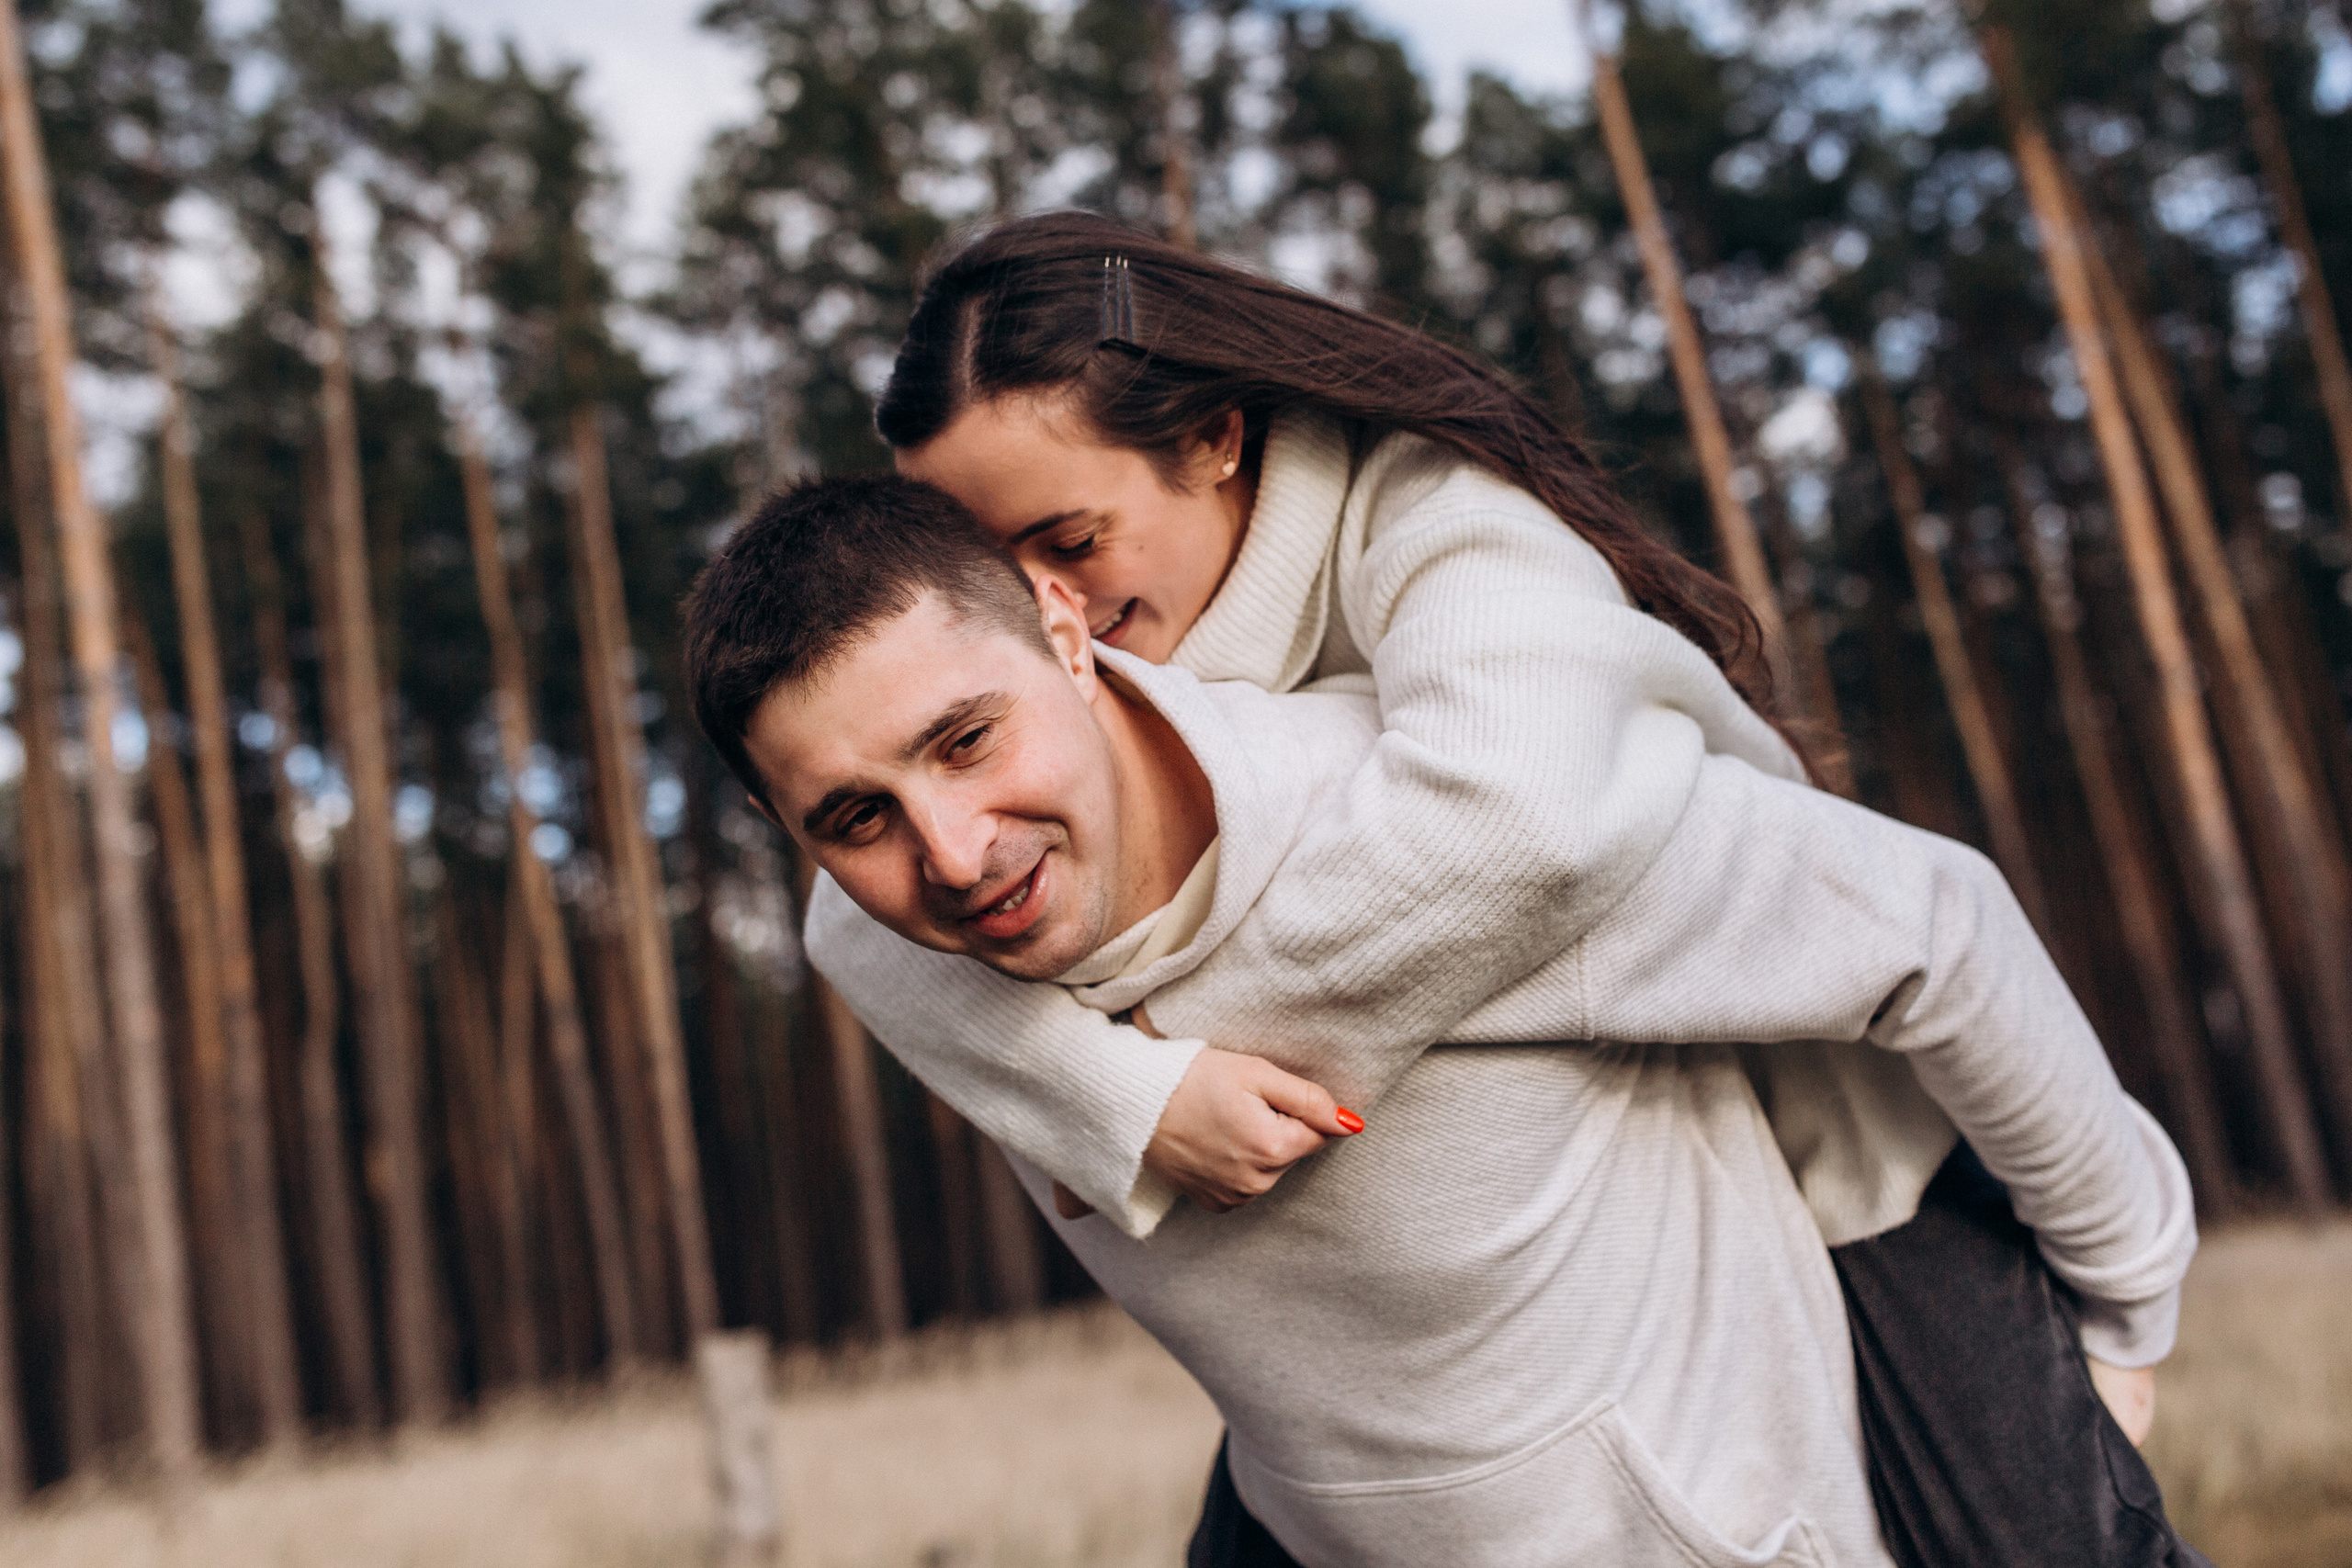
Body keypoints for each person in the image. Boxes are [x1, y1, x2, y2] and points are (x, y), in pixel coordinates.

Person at [804, 211, 2204, 1562]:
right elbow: (850, 928)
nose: (1037, 602)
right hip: (1417, 1359)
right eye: (986, 566)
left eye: (1068, 541)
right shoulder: (1067, 697)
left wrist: (1176, 1054)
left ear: (1217, 437)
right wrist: (1117, 1102)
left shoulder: (1444, 525)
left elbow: (1515, 821)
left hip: (1832, 1147)